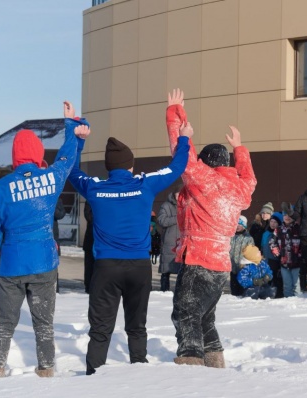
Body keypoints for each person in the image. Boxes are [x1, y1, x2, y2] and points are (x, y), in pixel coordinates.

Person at [68, 102, 190, 376]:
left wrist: (77, 142)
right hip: (138, 267)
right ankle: (138, 375)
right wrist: (184, 137)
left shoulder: (95, 187)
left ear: (108, 167)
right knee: (137, 326)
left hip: (106, 268)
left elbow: (72, 171)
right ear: (131, 165)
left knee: (100, 329)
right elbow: (177, 167)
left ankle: (93, 377)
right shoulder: (144, 184)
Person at [0, 101, 87, 377]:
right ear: (38, 153)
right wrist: (71, 125)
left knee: (4, 324)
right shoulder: (50, 178)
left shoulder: (0, 189)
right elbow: (65, 159)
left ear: (15, 156)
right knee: (44, 325)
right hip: (43, 263)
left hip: (12, 266)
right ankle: (47, 370)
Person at [166, 89, 256, 368]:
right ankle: (215, 360)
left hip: (198, 259)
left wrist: (177, 120)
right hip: (220, 264)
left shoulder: (204, 180)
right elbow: (249, 179)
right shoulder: (239, 189)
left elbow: (183, 157)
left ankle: (191, 363)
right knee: (205, 315)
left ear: (206, 163)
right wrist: (240, 149)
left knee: (186, 313)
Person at [270, 205, 301, 298]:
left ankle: (298, 305)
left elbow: (303, 243)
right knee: (287, 286)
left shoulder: (298, 229)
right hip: (284, 263)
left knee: (296, 286)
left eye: (289, 215)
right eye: (285, 215)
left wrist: (300, 255)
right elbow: (272, 242)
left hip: (297, 263)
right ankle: (288, 304)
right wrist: (278, 254)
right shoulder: (278, 230)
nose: (287, 217)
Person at [157, 184, 182, 292]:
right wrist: (177, 218)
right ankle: (164, 290)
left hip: (182, 242)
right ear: (174, 194)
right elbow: (162, 220)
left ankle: (179, 291)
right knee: (166, 270)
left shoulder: (187, 206)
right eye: (178, 194)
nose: (179, 196)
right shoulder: (166, 206)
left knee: (182, 271)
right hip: (169, 242)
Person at [229, 215, 255, 296]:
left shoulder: (248, 238)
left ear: (244, 226)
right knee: (234, 288)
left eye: (240, 224)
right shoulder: (231, 237)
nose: (237, 226)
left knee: (242, 289)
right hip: (232, 267)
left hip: (243, 268)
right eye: (236, 224)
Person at [262, 212, 283, 298]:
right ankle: (267, 295)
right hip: (266, 259)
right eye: (271, 221)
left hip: (275, 260)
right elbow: (262, 245)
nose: (273, 224)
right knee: (267, 279)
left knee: (276, 279)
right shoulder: (265, 233)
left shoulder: (279, 233)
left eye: (275, 222)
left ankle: (278, 296)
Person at [82, 201, 94, 293]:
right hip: (91, 239)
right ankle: (89, 287)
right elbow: (89, 216)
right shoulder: (90, 199)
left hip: (105, 243)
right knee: (90, 265)